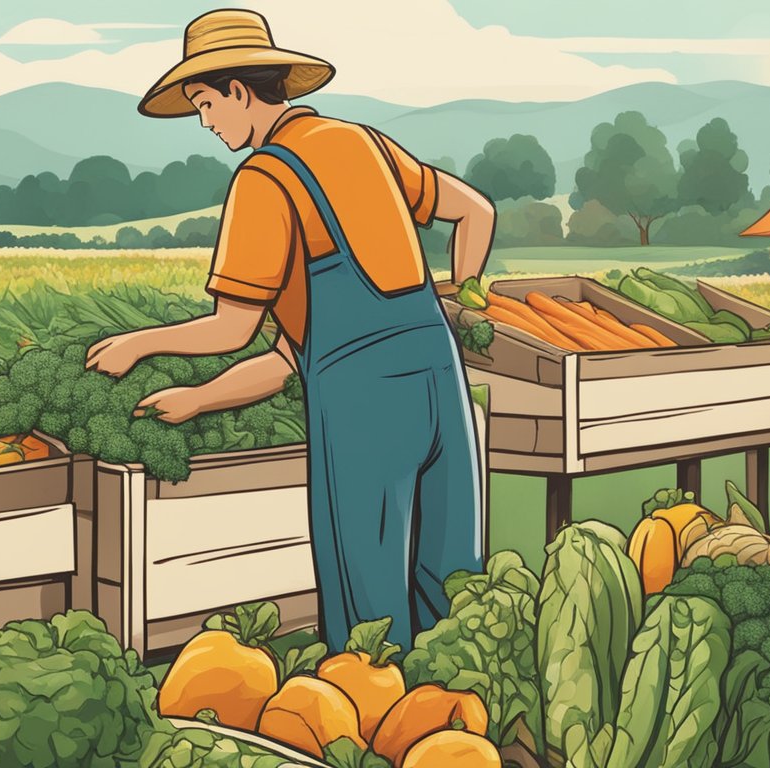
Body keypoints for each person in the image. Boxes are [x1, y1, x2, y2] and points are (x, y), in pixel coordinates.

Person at [85, 9, 497, 651]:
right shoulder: (366, 144)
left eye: (205, 103)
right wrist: (461, 295)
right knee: (457, 595)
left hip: (363, 406)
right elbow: (475, 211)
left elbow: (232, 329)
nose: (205, 122)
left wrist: (140, 343)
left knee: (371, 621)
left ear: (241, 93)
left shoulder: (265, 179)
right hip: (441, 380)